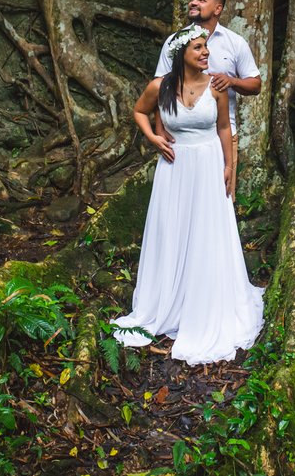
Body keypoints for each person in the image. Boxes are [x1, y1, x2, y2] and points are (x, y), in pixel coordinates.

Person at [113, 26, 265, 365]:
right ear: (181, 54)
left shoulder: (217, 86)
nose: (205, 52)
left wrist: (229, 166)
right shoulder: (160, 87)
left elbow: (224, 127)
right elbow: (139, 111)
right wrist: (153, 138)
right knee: (174, 229)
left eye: (205, 47)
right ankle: (169, 299)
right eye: (197, 48)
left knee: (207, 233)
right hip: (175, 168)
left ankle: (205, 301)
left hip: (209, 165)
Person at [153, 0, 262, 199]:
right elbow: (160, 87)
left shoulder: (235, 43)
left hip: (222, 134)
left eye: (201, 0)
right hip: (179, 136)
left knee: (218, 199)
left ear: (217, 9)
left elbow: (256, 85)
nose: (193, 3)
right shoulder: (175, 43)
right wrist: (159, 127)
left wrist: (232, 81)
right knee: (178, 200)